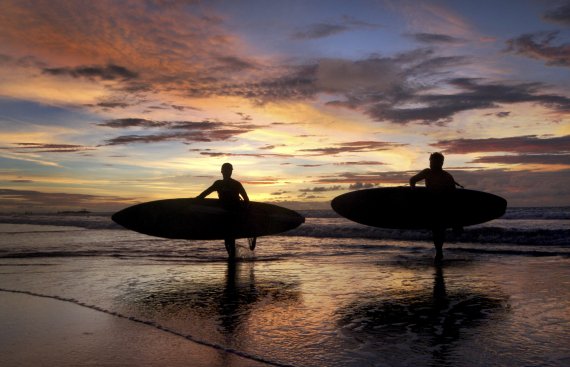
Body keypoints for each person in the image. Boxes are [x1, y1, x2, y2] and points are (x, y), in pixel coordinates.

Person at [410, 152, 463, 263]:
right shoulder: (428, 172)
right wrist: (414, 194)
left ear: (441, 163)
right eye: (431, 161)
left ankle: (439, 252)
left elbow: (453, 197)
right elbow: (412, 180)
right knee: (437, 230)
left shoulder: (447, 176)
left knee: (439, 230)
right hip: (432, 205)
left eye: (434, 161)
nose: (431, 163)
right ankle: (439, 252)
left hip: (442, 206)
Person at [196, 163, 255, 259]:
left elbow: (246, 200)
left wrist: (245, 213)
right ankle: (233, 258)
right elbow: (204, 194)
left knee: (229, 237)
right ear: (222, 171)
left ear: (231, 171)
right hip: (223, 214)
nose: (227, 172)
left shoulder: (236, 184)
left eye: (229, 170)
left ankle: (232, 259)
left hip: (234, 214)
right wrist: (195, 200)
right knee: (228, 239)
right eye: (226, 170)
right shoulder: (218, 183)